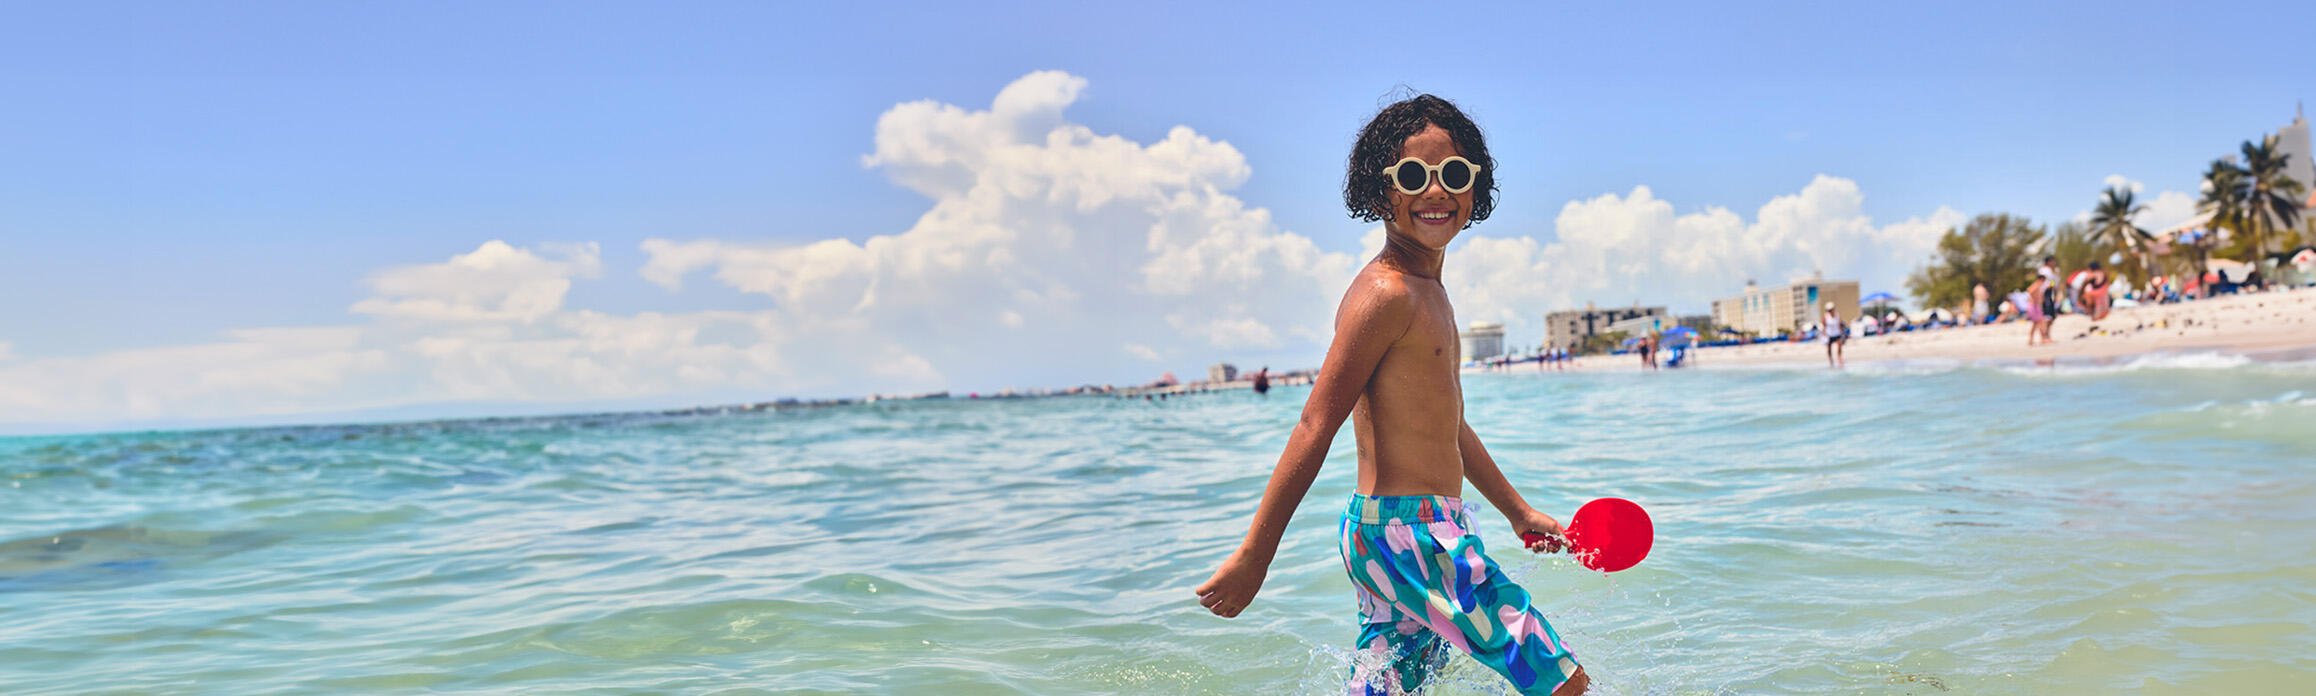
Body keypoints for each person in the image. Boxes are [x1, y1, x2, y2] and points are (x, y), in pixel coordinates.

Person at [1193, 94, 1589, 696]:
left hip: (1402, 532)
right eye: (1413, 177)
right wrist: (1257, 554)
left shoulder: (1429, 291)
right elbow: (1315, 424)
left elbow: (1448, 424)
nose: (1436, 192)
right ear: (1379, 194)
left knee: (1388, 688)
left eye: (1454, 175)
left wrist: (1516, 511)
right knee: (1560, 680)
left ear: (1476, 191)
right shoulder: (1387, 294)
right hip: (1415, 534)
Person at [2031, 257, 2059, 345]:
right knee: (2045, 318)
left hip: (2049, 294)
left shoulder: (2051, 271)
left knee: (2050, 316)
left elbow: (2052, 282)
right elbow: (2048, 283)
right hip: (2046, 294)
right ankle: (2044, 337)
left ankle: (2046, 336)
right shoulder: (2045, 270)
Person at [1822, 302, 1846, 367]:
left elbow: (1839, 324)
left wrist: (1842, 330)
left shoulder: (1837, 315)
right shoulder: (1825, 316)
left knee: (1839, 344)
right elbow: (1824, 326)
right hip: (1829, 334)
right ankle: (1831, 360)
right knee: (1829, 348)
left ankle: (1839, 358)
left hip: (1837, 333)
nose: (1830, 311)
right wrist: (1823, 335)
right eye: (1829, 310)